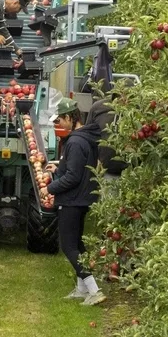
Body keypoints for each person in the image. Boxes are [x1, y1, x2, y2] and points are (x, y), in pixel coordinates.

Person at [45, 98, 106, 306]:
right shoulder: (86, 138)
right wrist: (58, 169)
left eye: (61, 120)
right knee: (78, 244)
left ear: (71, 118)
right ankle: (81, 289)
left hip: (71, 200)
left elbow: (73, 177)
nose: (59, 124)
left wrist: (51, 188)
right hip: (82, 198)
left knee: (68, 246)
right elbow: (76, 169)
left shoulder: (75, 142)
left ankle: (94, 289)